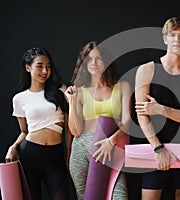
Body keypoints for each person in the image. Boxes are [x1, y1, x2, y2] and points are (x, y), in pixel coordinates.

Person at [134, 16, 180, 200]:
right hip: (156, 148)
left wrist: (161, 109)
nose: (177, 40)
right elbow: (142, 116)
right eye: (172, 35)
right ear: (164, 38)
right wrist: (158, 149)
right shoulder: (147, 69)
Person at [65, 41, 130, 200]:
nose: (93, 63)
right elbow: (75, 131)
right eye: (89, 59)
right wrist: (72, 102)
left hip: (111, 146)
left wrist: (111, 141)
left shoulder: (122, 86)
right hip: (82, 148)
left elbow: (128, 122)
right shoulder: (79, 91)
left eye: (98, 58)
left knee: (120, 196)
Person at [5, 47, 71, 200]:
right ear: (28, 68)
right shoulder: (19, 98)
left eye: (48, 67)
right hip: (30, 154)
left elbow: (68, 128)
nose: (45, 71)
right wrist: (13, 147)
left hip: (55, 156)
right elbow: (24, 131)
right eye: (40, 66)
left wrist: (68, 154)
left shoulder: (60, 92)